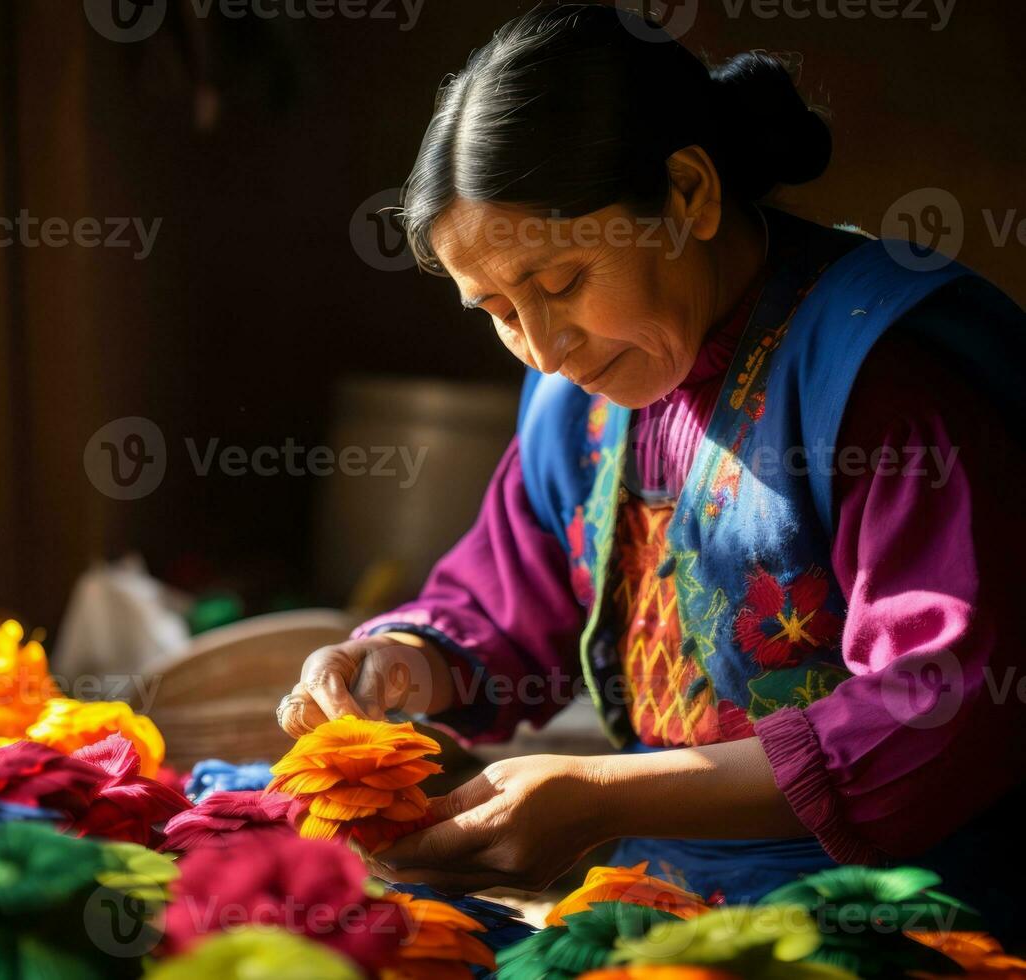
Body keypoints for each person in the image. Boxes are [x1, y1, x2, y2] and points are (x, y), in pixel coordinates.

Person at [277, 3, 1026, 935]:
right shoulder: (584, 397)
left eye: (559, 284)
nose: (542, 348)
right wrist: (398, 664)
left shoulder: (879, 380)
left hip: (899, 905)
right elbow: (503, 603)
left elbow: (938, 709)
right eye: (498, 310)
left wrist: (605, 794)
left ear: (686, 194)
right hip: (657, 890)